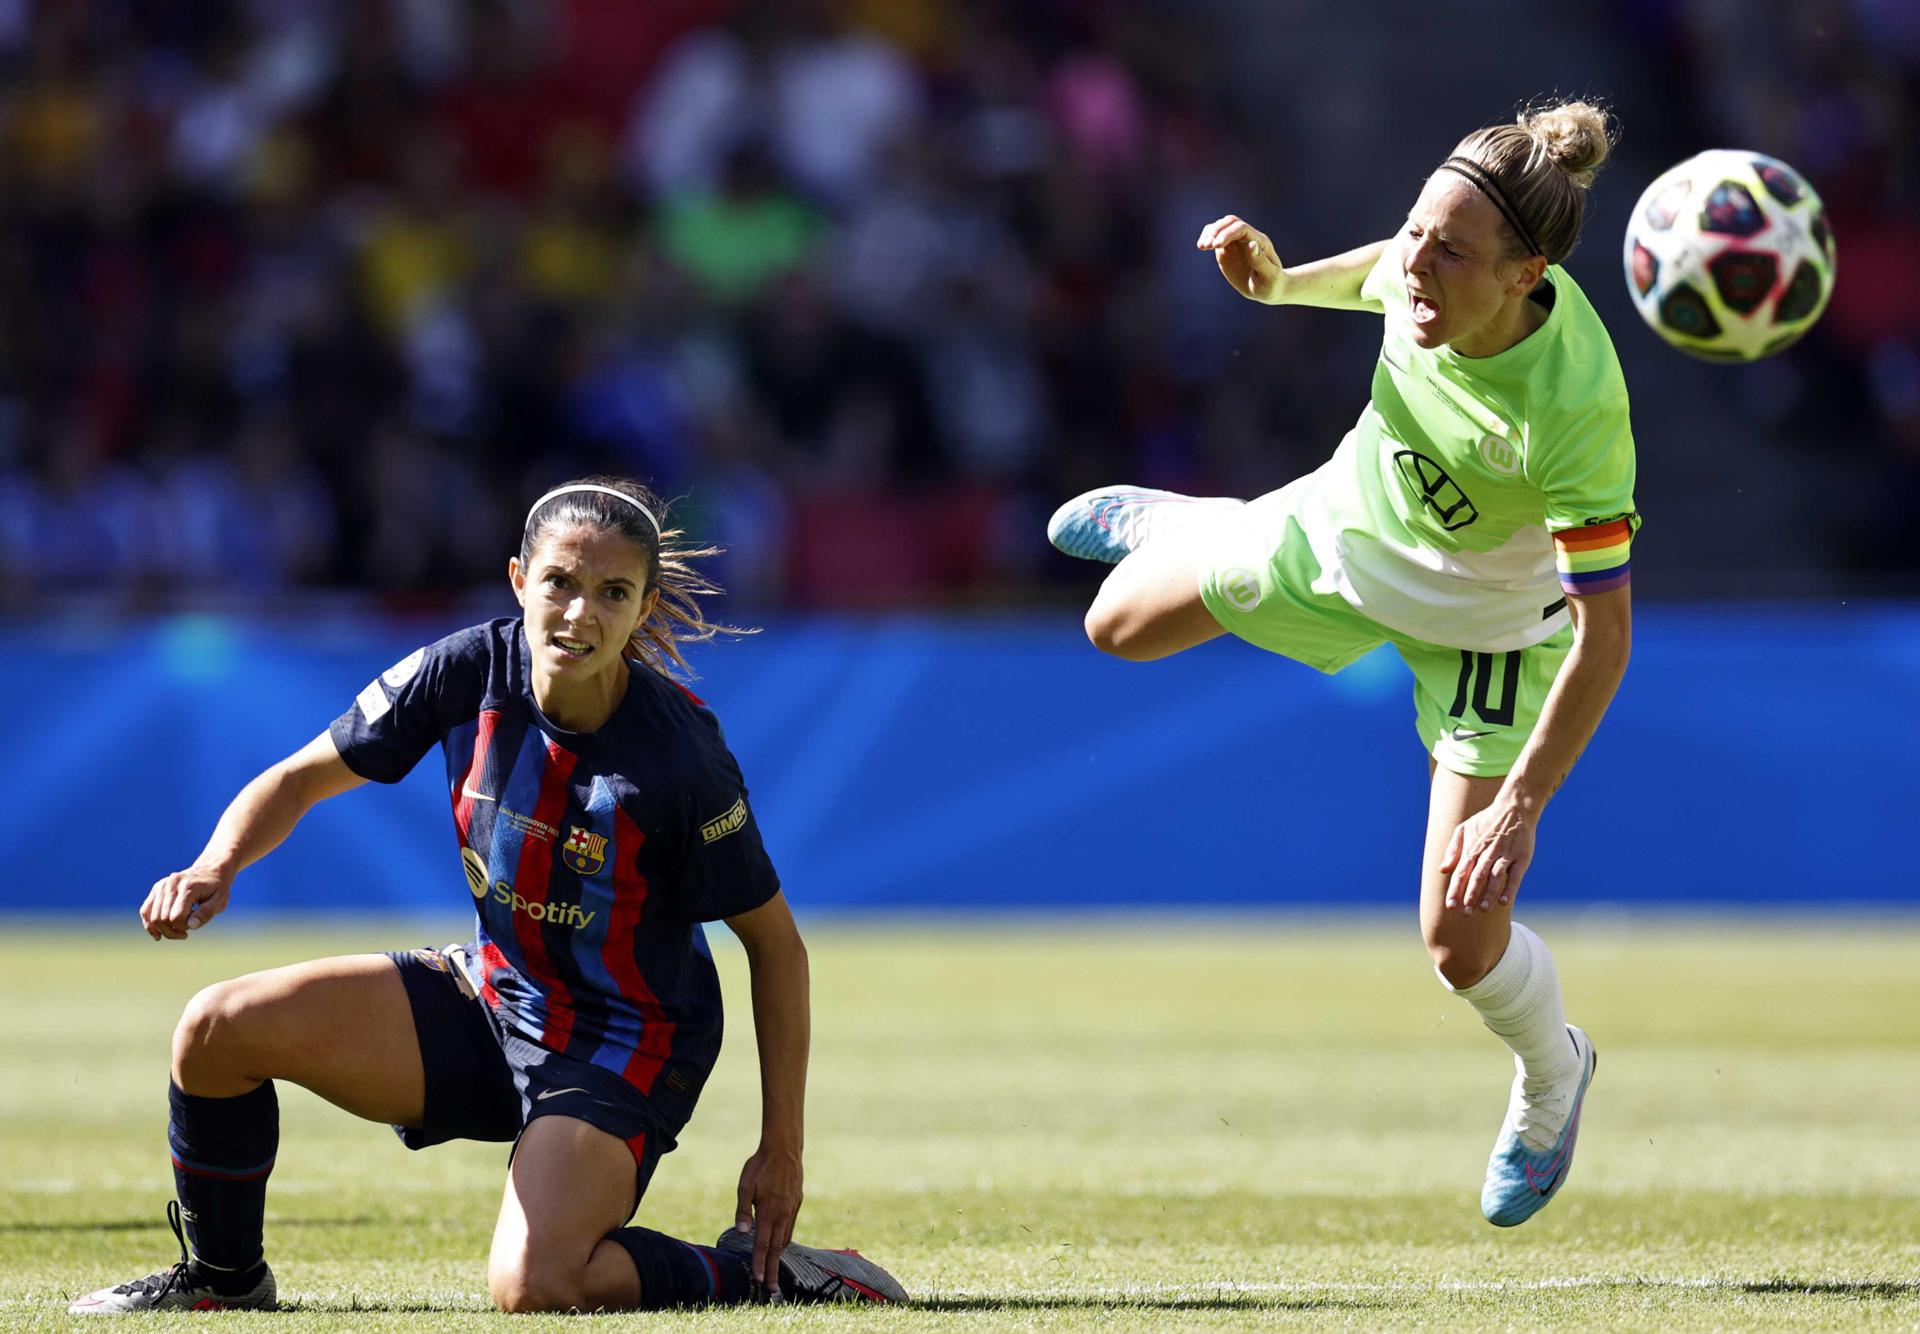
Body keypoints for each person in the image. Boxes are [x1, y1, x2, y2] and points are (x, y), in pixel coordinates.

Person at [71, 478, 908, 1313]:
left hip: (626, 1040)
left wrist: (781, 1148)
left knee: (535, 1285)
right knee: (215, 1029)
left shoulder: (680, 759)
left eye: (613, 593)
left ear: (644, 607)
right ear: (518, 580)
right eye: (560, 583)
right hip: (496, 995)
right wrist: (216, 865)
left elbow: (775, 946)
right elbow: (297, 779)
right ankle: (224, 1281)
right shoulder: (464, 669)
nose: (579, 614)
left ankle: (764, 1275)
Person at [1049, 101, 1630, 1227]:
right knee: (1112, 628)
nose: (1417, 264)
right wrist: (1275, 285)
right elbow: (1378, 270)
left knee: (1458, 945)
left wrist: (1522, 804)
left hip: (1489, 641)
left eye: (1450, 252)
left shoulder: (1574, 412)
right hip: (1348, 535)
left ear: (1526, 276)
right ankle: (1211, 523)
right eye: (1417, 229)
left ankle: (1555, 1071)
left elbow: (1605, 635)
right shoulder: (1425, 274)